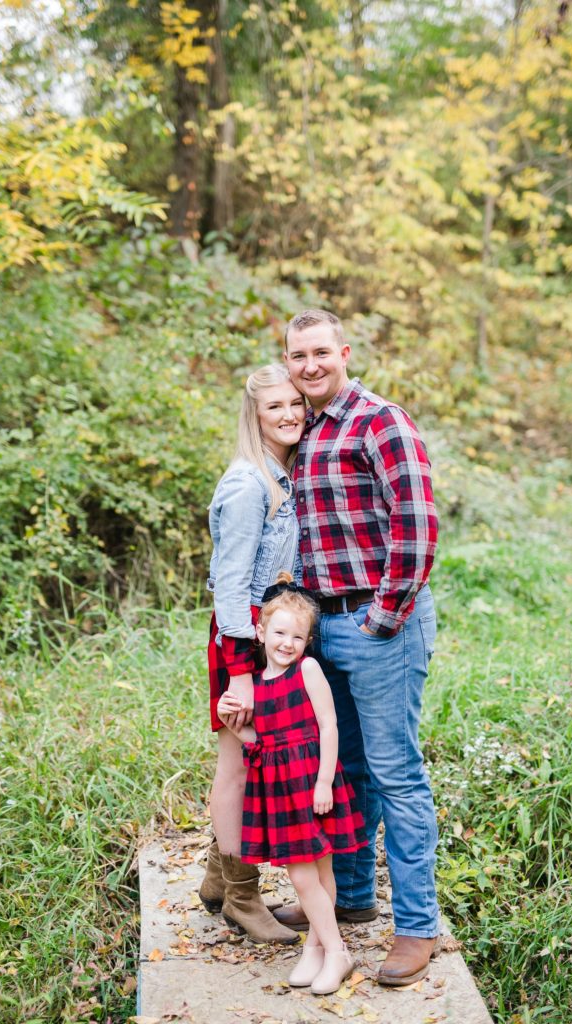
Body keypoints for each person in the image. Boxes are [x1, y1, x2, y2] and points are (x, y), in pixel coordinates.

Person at [274, 309, 440, 986]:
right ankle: (349, 897)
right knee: (344, 769)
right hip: (321, 628)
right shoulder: (303, 428)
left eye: (320, 352)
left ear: (343, 353)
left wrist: (383, 617)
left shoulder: (380, 421)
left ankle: (418, 928)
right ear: (287, 362)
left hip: (379, 624)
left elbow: (416, 525)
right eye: (297, 356)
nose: (309, 365)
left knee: (396, 774)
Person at [217, 574, 367, 995]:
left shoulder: (308, 670)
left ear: (307, 641)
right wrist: (235, 725)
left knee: (315, 874)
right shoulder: (256, 687)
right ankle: (317, 949)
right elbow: (260, 746)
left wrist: (324, 783)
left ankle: (334, 950)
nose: (288, 643)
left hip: (314, 783)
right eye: (280, 633)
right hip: (282, 793)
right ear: (260, 632)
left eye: (298, 637)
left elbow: (329, 726)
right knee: (308, 875)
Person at [199, 363, 306, 944]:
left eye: (295, 403)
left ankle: (219, 877)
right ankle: (243, 897)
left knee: (249, 760)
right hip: (241, 643)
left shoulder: (283, 475)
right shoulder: (248, 485)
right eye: (274, 407)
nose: (289, 414)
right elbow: (231, 585)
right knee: (238, 765)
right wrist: (242, 674)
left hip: (269, 642)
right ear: (255, 415)